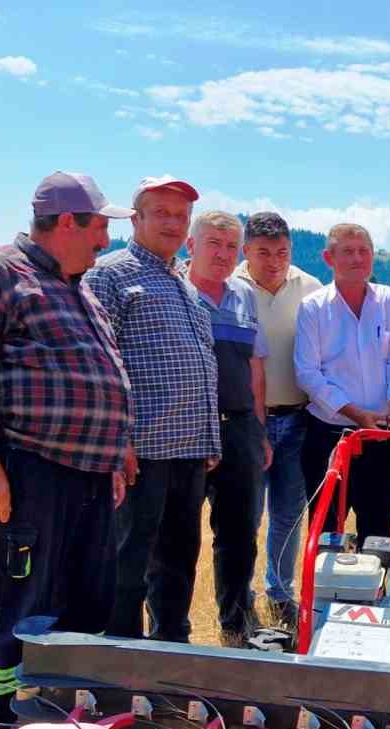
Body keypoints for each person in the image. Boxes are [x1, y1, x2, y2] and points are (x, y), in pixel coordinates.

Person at [0, 171, 133, 729]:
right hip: (27, 472)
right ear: (69, 222)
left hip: (91, 478)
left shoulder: (80, 289)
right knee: (22, 608)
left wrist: (118, 449)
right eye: (101, 225)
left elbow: (102, 376)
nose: (106, 238)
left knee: (84, 607)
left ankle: (64, 728)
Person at [86, 176, 220, 644]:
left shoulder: (182, 282)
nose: (172, 223)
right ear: (136, 218)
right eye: (160, 213)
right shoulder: (110, 274)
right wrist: (115, 441)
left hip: (189, 449)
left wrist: (210, 440)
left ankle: (171, 649)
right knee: (130, 560)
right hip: (141, 450)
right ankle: (121, 654)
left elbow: (202, 361)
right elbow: (99, 361)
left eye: (180, 216)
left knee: (180, 558)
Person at [294, 223, 390, 545]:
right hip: (329, 436)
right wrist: (355, 413)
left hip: (383, 437)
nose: (357, 258)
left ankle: (371, 595)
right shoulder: (313, 307)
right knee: (326, 535)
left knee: (378, 536)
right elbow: (307, 373)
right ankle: (323, 596)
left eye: (364, 251)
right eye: (347, 251)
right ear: (328, 257)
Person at [185, 211, 271, 647]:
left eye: (230, 246)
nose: (222, 253)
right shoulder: (175, 293)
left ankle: (237, 624)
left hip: (239, 429)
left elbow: (256, 367)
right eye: (213, 243)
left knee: (239, 534)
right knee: (175, 537)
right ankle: (168, 631)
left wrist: (260, 430)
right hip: (184, 428)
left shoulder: (244, 294)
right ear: (191, 246)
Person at [234, 212, 324, 626]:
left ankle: (281, 592)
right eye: (264, 253)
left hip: (298, 418)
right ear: (246, 250)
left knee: (289, 513)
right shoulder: (230, 287)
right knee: (245, 515)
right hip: (245, 423)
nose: (274, 262)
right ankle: (241, 594)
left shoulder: (311, 289)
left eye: (282, 253)